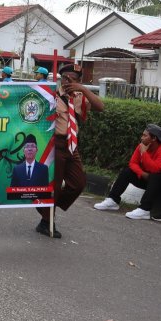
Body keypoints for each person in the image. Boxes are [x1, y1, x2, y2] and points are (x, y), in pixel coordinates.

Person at [35, 63, 105, 238]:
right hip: (54, 144)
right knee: (55, 186)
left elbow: (100, 107)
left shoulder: (79, 97)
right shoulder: (51, 95)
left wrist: (83, 89)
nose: (70, 82)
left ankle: (46, 205)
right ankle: (46, 222)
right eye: (68, 78)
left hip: (72, 146)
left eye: (75, 80)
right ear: (62, 78)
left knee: (78, 183)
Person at [93, 124, 161, 219]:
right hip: (147, 178)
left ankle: (144, 209)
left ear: (154, 138)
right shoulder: (142, 146)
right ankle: (113, 200)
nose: (141, 138)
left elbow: (155, 169)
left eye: (145, 136)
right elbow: (132, 163)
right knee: (127, 172)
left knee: (156, 176)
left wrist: (144, 153)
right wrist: (142, 174)